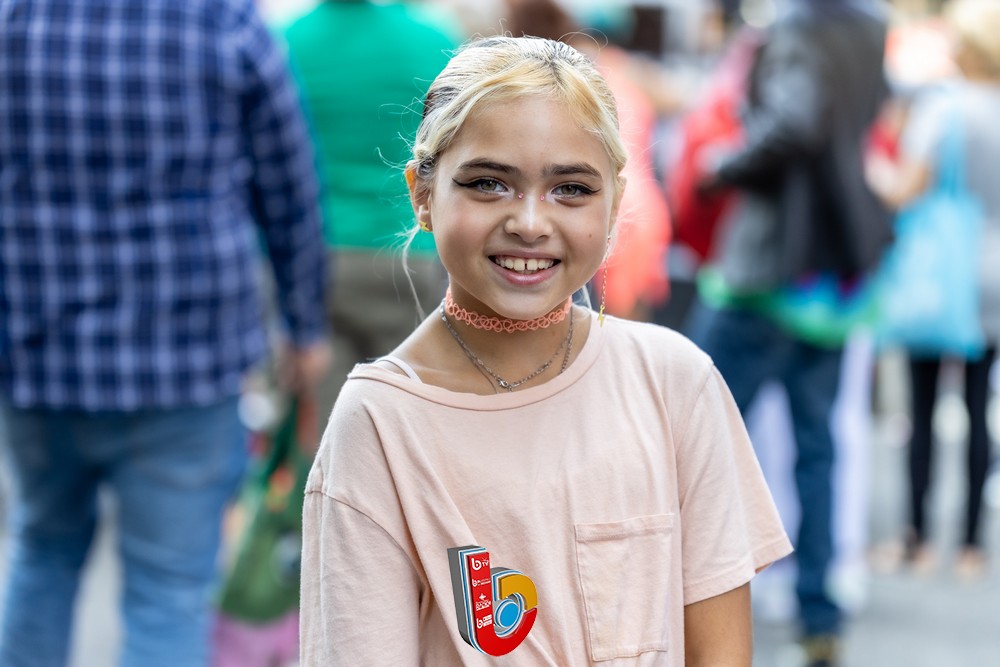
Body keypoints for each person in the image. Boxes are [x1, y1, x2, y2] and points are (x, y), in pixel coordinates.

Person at [299, 35, 792, 666]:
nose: (530, 222)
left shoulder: (675, 385)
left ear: (615, 202)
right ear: (423, 193)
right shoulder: (380, 424)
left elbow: (720, 651)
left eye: (571, 189)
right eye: (488, 183)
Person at [0, 1, 329, 666]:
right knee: (169, 591)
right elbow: (289, 186)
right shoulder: (221, 19)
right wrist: (304, 325)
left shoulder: (16, 19)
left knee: (43, 549)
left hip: (36, 354)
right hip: (184, 360)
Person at [683, 1, 892, 665]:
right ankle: (819, 616)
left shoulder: (800, 28)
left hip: (770, 265)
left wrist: (722, 164)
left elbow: (793, 124)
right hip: (831, 271)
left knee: (694, 434)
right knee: (815, 448)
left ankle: (678, 606)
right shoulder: (871, 27)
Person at [865, 0, 1000, 581]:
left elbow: (905, 189)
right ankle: (971, 546)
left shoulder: (942, 110)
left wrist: (871, 169)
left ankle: (916, 538)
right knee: (977, 405)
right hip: (993, 276)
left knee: (922, 408)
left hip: (940, 276)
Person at [282, 0, 460, 426]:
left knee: (329, 424)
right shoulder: (434, 42)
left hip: (317, 258)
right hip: (407, 252)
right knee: (409, 415)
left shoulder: (287, 42)